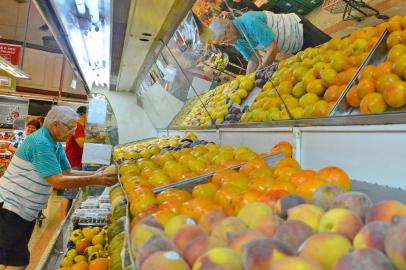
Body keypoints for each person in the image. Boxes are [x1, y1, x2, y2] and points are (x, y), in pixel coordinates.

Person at [0, 106, 116, 269]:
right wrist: (96, 179)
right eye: (70, 127)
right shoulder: (41, 142)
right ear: (55, 125)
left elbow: (68, 172)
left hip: (25, 210)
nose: (73, 131)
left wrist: (97, 174)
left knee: (10, 259)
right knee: (17, 262)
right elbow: (58, 181)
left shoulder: (53, 143)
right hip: (12, 207)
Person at [209, 11, 331, 74]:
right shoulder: (236, 39)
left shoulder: (250, 22)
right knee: (318, 63)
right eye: (224, 43)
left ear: (229, 26)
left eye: (225, 39)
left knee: (330, 51)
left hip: (299, 29)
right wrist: (247, 80)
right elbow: (253, 60)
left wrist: (261, 70)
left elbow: (272, 49)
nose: (228, 44)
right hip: (291, 44)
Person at [61, 106, 86, 216]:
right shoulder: (78, 125)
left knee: (71, 193)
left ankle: (65, 219)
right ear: (84, 114)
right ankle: (62, 221)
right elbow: (81, 143)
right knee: (69, 194)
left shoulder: (80, 126)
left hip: (75, 162)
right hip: (73, 163)